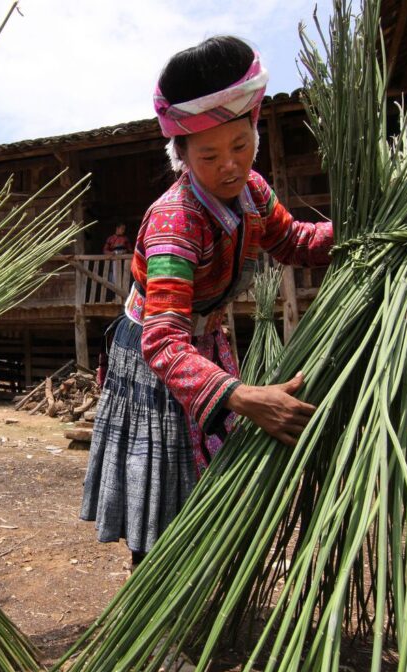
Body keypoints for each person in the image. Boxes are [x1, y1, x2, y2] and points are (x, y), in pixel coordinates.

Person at [80, 36, 333, 569]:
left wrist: (355, 229)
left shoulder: (254, 194)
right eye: (209, 156)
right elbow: (163, 342)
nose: (230, 166)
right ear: (183, 156)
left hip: (206, 338)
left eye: (240, 146)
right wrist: (242, 396)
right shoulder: (177, 223)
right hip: (159, 353)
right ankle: (154, 598)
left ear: (254, 134)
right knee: (165, 486)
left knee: (209, 468)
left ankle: (202, 579)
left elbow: (294, 243)